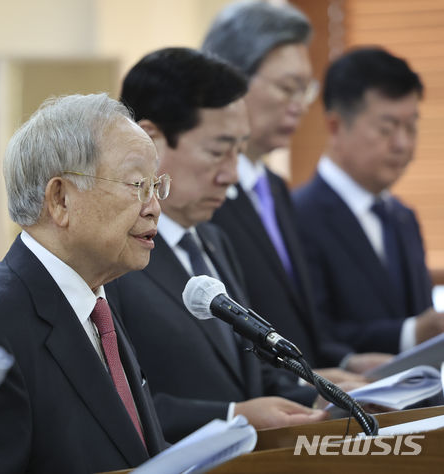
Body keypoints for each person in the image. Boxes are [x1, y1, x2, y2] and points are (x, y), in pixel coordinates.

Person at [107, 47, 325, 443]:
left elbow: (245, 373)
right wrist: (231, 416)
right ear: (150, 141)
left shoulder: (213, 239)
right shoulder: (113, 256)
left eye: (239, 152)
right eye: (216, 151)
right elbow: (118, 405)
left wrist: (321, 393)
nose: (231, 175)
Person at [0, 93, 168, 473]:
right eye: (136, 184)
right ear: (60, 199)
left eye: (156, 186)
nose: (154, 206)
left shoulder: (94, 303)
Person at [203, 0, 391, 379]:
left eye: (305, 90)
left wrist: (344, 363)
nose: (300, 107)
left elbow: (300, 321)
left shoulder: (274, 187)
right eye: (288, 88)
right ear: (231, 79)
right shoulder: (204, 193)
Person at [293, 47, 440, 354]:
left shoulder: (402, 215)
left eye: (411, 126)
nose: (403, 144)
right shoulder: (297, 216)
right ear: (335, 127)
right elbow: (313, 336)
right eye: (386, 128)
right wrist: (412, 332)